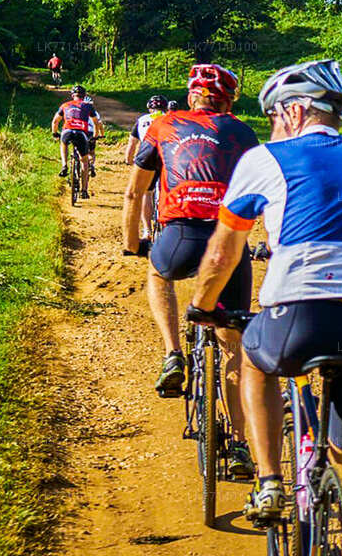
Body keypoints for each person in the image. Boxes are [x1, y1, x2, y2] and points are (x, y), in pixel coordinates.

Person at [187, 59, 342, 556]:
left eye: (272, 116)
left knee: (253, 358)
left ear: (293, 111)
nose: (272, 126)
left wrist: (203, 305)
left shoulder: (263, 160)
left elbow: (224, 251)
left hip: (296, 314)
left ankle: (269, 480)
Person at [121, 65, 260, 479]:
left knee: (158, 272)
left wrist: (132, 244)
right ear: (230, 101)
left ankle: (172, 355)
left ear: (191, 96)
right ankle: (238, 445)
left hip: (179, 236)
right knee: (233, 345)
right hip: (228, 243)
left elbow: (135, 191)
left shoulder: (164, 125)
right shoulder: (242, 133)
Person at [125, 95, 169, 239]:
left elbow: (132, 144)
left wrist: (128, 160)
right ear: (165, 108)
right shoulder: (172, 120)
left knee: (147, 193)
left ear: (149, 108)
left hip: (147, 156)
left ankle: (147, 231)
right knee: (170, 190)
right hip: (166, 156)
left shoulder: (142, 120)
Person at [50, 85, 103, 199]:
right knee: (84, 161)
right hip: (81, 133)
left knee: (63, 143)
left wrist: (55, 133)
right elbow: (96, 123)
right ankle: (84, 191)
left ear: (72, 95)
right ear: (84, 96)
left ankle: (64, 165)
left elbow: (55, 121)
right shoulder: (88, 106)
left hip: (67, 131)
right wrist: (95, 136)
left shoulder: (65, 105)